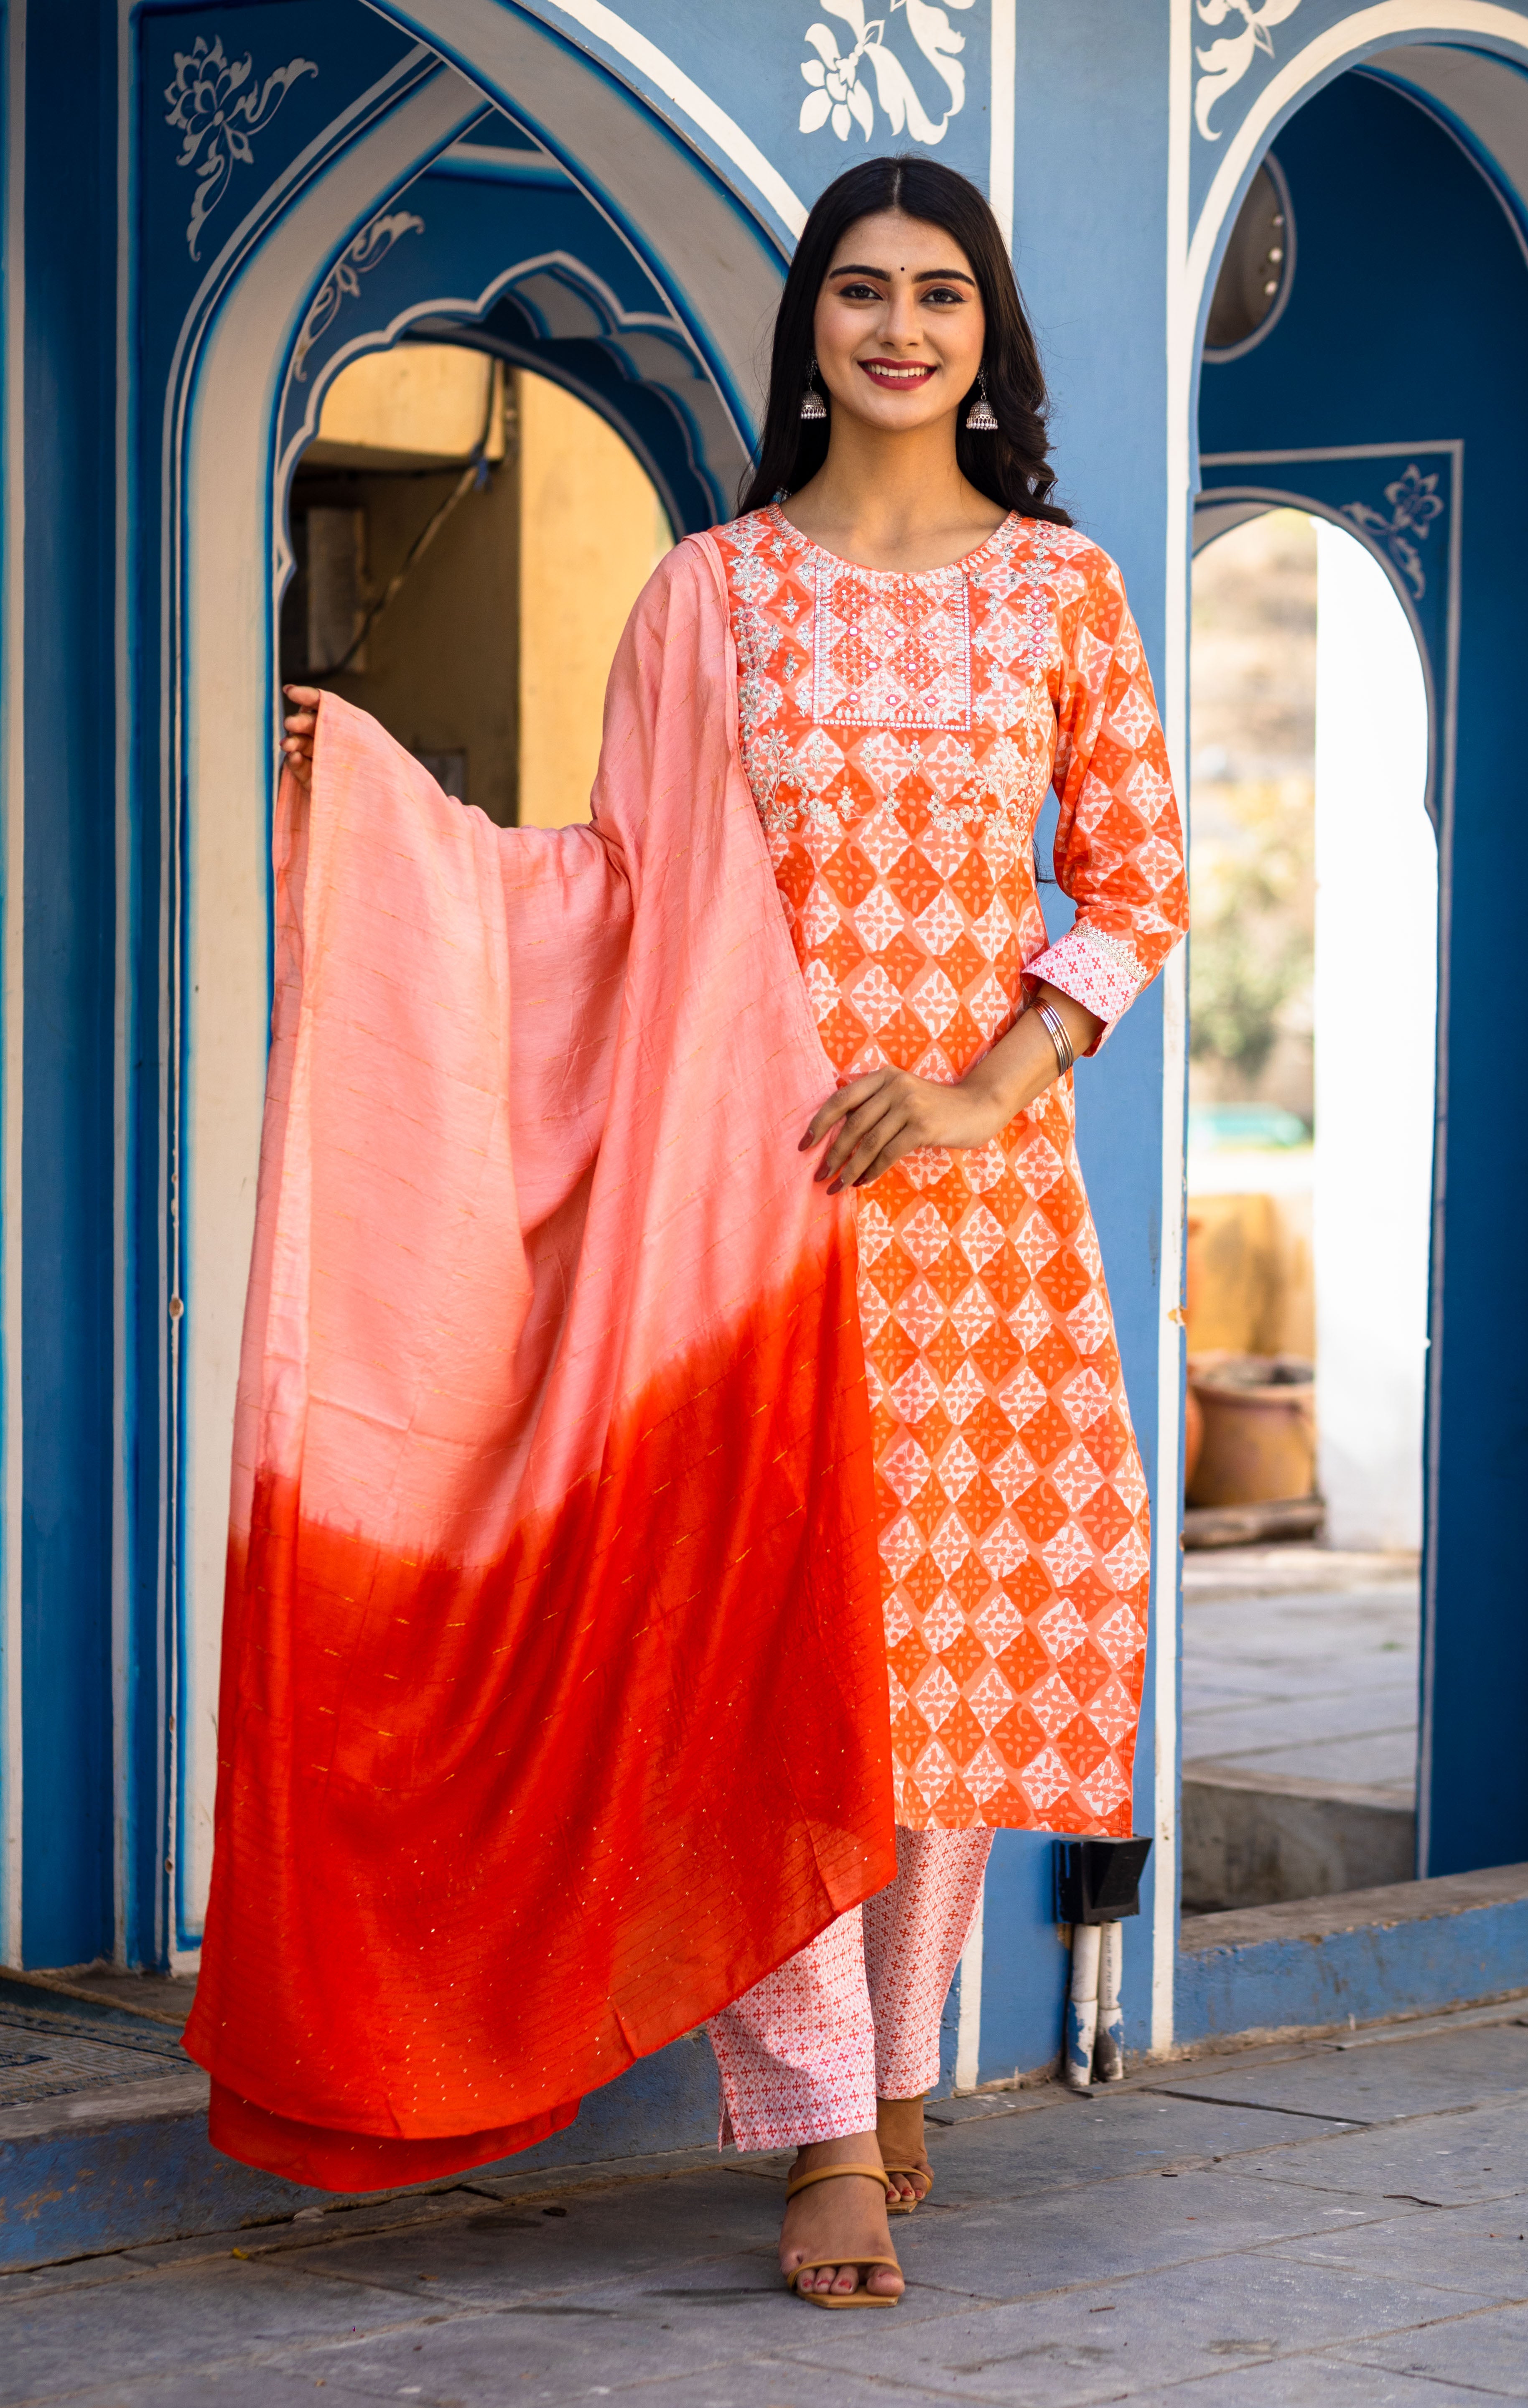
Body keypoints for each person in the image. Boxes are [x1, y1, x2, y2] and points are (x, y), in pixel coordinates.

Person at [191, 154, 1185, 2310]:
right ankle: (828, 2119)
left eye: (939, 295)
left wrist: (977, 1093)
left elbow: (1133, 889)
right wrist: (390, 812)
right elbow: (621, 895)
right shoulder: (711, 593)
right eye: (859, 292)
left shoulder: (1063, 597)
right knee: (765, 1663)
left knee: (923, 1677)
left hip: (978, 1221)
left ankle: (894, 2057)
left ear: (987, 333)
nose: (897, 328)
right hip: (738, 1213)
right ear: (809, 327)